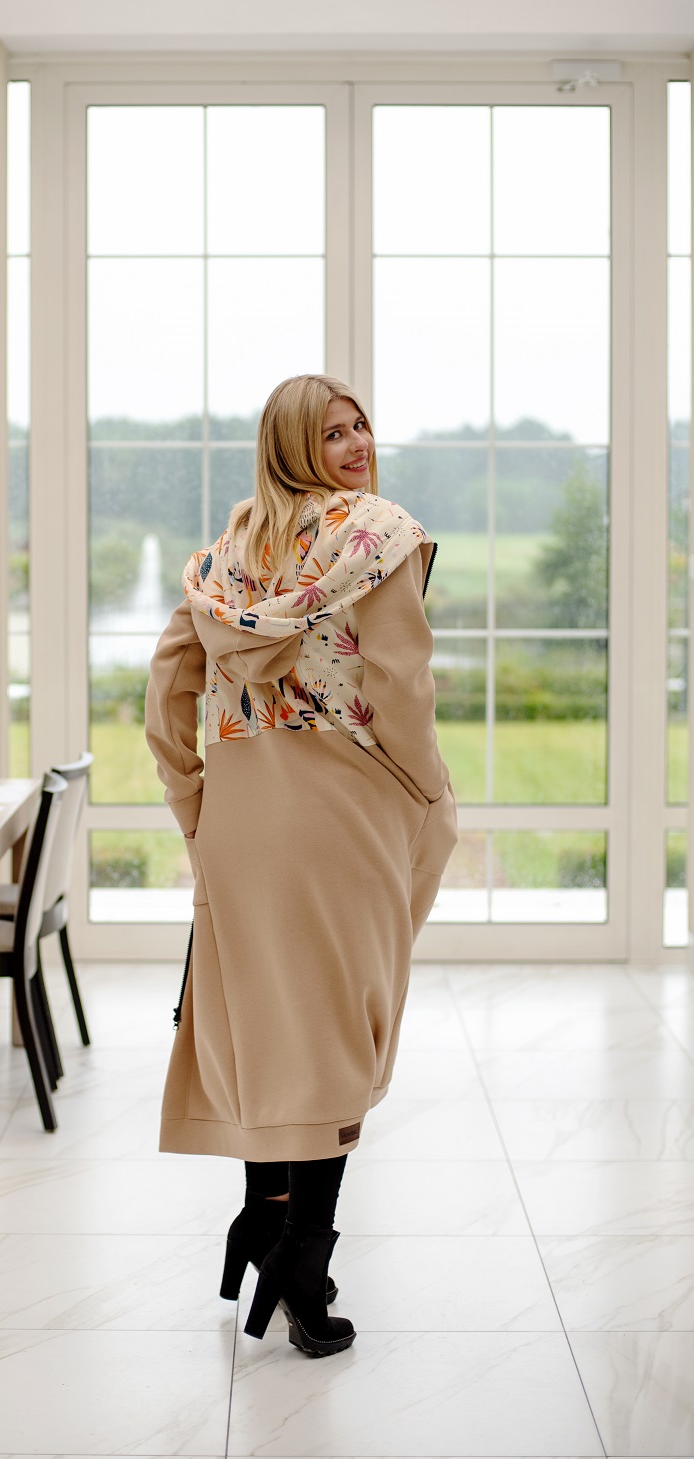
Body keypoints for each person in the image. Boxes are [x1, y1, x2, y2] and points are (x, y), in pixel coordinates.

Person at [144, 373, 458, 1358]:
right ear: (292, 445)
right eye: (332, 433)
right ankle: (303, 1258)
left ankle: (263, 1213)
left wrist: (197, 804)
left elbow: (168, 690)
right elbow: (400, 685)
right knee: (336, 1030)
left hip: (243, 815)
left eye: (360, 425)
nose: (358, 444)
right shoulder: (380, 536)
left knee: (270, 1022)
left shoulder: (224, 556)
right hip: (344, 810)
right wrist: (428, 793)